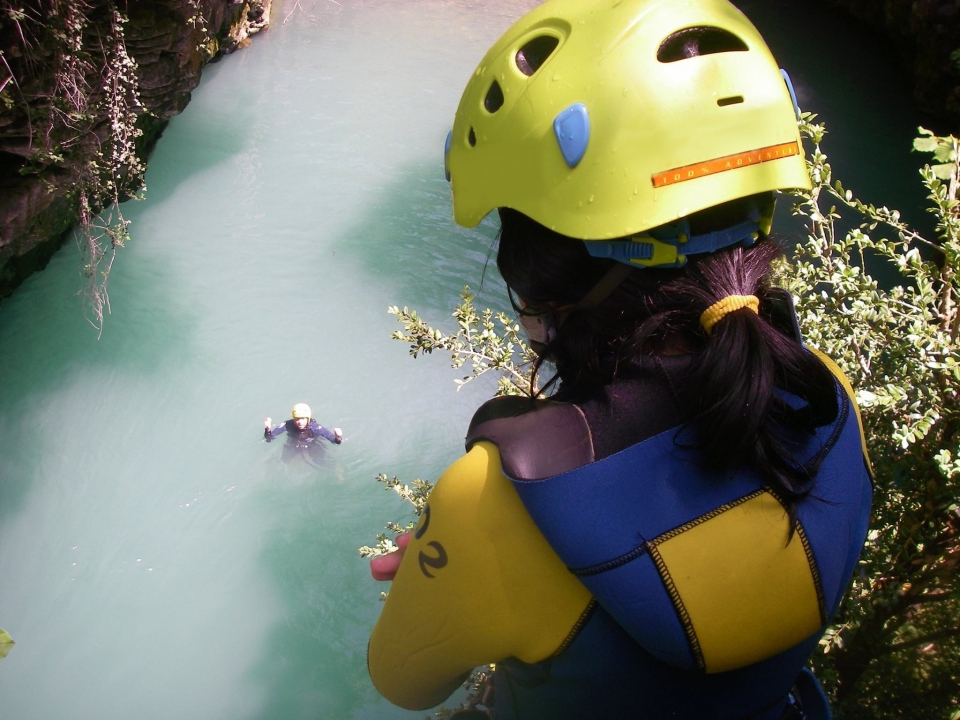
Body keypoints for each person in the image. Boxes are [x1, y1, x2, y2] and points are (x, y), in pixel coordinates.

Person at [367, 0, 873, 718]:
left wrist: (453, 557)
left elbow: (400, 682)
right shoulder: (829, 402)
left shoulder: (494, 505)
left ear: (545, 278)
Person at [263, 403, 342, 459]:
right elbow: (269, 438)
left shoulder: (315, 427)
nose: (299, 422)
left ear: (308, 418)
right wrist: (268, 429)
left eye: (303, 419)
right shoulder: (288, 425)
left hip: (311, 444)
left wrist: (338, 437)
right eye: (297, 419)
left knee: (322, 460)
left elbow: (334, 440)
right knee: (284, 460)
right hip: (293, 445)